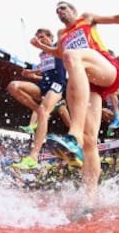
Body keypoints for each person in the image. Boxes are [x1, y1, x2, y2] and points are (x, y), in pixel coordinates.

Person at [30, 1, 119, 204]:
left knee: (72, 56)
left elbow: (115, 19)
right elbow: (59, 53)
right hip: (87, 83)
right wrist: (41, 47)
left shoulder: (86, 18)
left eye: (63, 8)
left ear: (73, 11)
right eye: (57, 10)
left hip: (106, 69)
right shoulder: (62, 33)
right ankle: (91, 199)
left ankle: (73, 136)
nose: (60, 12)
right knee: (90, 142)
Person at [7, 28, 71, 169]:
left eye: (42, 37)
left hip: (57, 86)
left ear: (50, 37)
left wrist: (41, 44)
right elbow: (44, 67)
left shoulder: (56, 47)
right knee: (13, 86)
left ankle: (33, 157)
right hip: (43, 86)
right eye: (38, 37)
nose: (40, 39)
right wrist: (32, 72)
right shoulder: (42, 53)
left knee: (46, 112)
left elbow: (59, 55)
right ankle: (38, 110)